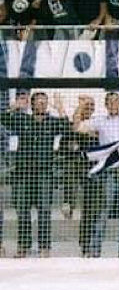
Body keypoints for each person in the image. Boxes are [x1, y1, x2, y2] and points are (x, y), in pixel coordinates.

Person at [0, 92, 70, 258]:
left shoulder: (52, 122)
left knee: (44, 212)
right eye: (38, 102)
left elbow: (67, 128)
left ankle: (44, 248)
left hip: (44, 175)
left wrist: (60, 108)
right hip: (23, 175)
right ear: (32, 105)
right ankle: (23, 247)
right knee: (23, 211)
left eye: (44, 102)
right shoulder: (22, 119)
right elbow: (3, 119)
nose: (42, 105)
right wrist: (15, 106)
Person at [73, 92, 119, 258]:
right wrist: (81, 106)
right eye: (110, 102)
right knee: (102, 211)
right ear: (106, 104)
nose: (113, 104)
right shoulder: (100, 121)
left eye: (116, 101)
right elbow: (77, 127)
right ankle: (95, 250)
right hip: (109, 172)